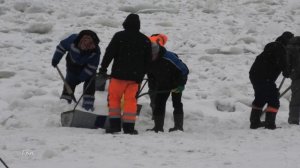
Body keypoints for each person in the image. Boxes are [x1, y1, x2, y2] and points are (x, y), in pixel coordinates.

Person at [98, 13, 152, 135]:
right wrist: (144, 74)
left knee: (114, 100)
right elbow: (148, 61)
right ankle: (129, 128)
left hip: (118, 76)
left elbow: (109, 52)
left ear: (125, 23)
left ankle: (115, 126)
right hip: (134, 78)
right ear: (138, 25)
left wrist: (103, 68)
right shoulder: (144, 40)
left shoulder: (119, 36)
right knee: (130, 101)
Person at [249, 31, 294, 129]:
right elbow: (283, 64)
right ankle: (270, 124)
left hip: (254, 74)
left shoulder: (272, 46)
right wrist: (287, 71)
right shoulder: (280, 49)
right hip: (265, 78)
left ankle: (254, 122)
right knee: (274, 101)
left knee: (260, 98)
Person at [52, 30, 100, 111]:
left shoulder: (95, 50)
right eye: (85, 47)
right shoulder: (72, 40)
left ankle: (88, 106)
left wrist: (81, 78)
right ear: (80, 42)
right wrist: (56, 59)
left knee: (90, 84)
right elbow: (61, 47)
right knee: (70, 82)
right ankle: (65, 102)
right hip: (72, 65)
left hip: (87, 68)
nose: (87, 48)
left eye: (90, 46)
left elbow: (92, 66)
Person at [147, 43, 189, 133]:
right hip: (162, 84)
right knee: (159, 104)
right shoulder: (148, 59)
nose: (151, 57)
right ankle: (158, 127)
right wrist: (152, 87)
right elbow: (151, 75)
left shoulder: (169, 57)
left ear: (157, 53)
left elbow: (184, 70)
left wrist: (181, 84)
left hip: (176, 83)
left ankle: (178, 127)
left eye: (153, 55)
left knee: (176, 103)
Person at [286, 36, 300, 125]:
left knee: (296, 98)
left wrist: (290, 72)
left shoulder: (289, 48)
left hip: (295, 75)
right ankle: (293, 119)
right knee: (296, 98)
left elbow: (287, 63)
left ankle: (293, 119)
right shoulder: (292, 49)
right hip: (297, 75)